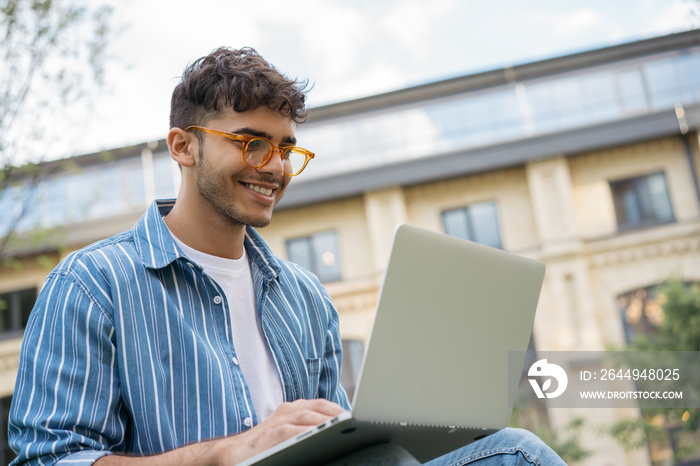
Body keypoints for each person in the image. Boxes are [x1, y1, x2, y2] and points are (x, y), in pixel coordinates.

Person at [8, 47, 566, 465]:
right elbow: (52, 460)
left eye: (285, 148)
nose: (274, 167)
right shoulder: (92, 284)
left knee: (506, 453)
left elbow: (337, 448)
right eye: (252, 142)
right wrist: (228, 453)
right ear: (182, 146)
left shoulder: (304, 298)